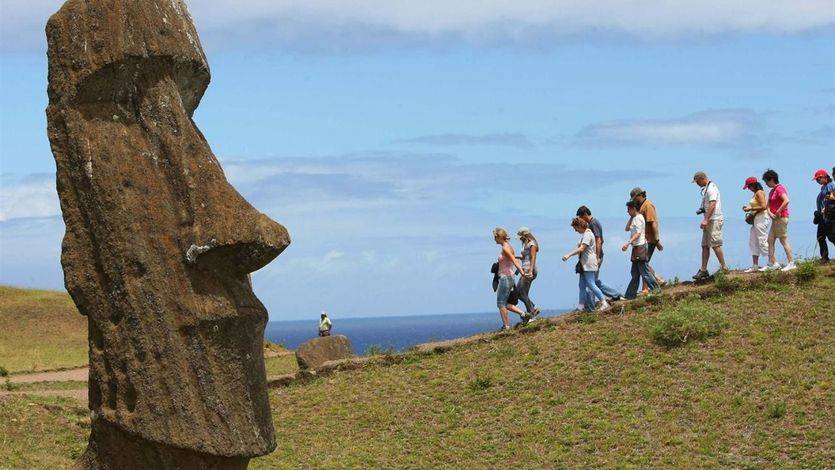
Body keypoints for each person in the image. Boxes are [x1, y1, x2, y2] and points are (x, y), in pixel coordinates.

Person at [576, 206, 623, 307]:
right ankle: (615, 294)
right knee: (594, 282)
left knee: (591, 283)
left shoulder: (593, 223)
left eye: (580, 218)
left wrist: (597, 256)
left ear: (584, 215)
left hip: (595, 257)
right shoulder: (592, 223)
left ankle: (591, 306)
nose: (581, 221)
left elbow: (599, 240)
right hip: (595, 256)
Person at [562, 218, 611, 312]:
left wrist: (569, 255)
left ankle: (604, 302)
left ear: (580, 226)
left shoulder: (588, 234)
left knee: (591, 284)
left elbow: (582, 248)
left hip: (589, 263)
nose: (575, 230)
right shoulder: (585, 235)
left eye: (576, 228)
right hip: (584, 264)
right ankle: (581, 306)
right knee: (581, 285)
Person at [692, 172, 728, 280]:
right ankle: (703, 270)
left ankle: (724, 267)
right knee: (705, 245)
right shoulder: (706, 189)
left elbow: (713, 204)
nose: (697, 184)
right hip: (709, 219)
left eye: (697, 181)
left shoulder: (712, 188)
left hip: (714, 219)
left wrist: (706, 219)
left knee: (715, 244)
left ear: (702, 178)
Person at [493, 227, 530, 330]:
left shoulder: (505, 248)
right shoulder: (508, 246)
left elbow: (513, 260)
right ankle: (524, 314)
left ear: (499, 237)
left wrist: (522, 272)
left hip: (505, 278)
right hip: (509, 277)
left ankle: (506, 326)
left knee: (501, 303)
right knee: (507, 304)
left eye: (495, 237)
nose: (494, 240)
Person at [630, 187, 666, 291]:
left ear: (639, 196)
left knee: (643, 264)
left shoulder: (647, 205)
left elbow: (653, 223)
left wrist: (657, 240)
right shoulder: (641, 206)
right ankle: (649, 286)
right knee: (643, 264)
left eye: (634, 198)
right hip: (644, 240)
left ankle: (654, 282)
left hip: (649, 240)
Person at [622, 200, 659, 299]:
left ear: (634, 208)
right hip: (636, 248)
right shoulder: (635, 218)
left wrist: (628, 243)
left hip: (640, 247)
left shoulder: (638, 219)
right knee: (634, 273)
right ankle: (630, 295)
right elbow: (626, 228)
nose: (627, 211)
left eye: (629, 209)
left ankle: (656, 290)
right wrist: (631, 216)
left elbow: (638, 234)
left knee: (644, 271)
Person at [760, 169, 796, 272]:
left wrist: (778, 211)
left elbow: (786, 200)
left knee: (783, 240)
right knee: (770, 240)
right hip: (775, 219)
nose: (766, 184)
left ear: (771, 179)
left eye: (766, 181)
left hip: (782, 218)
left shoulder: (780, 189)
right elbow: (767, 206)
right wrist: (770, 213)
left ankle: (791, 263)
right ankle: (772, 263)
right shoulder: (772, 191)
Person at [742, 177, 770, 272]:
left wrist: (750, 209)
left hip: (761, 218)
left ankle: (772, 263)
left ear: (753, 185)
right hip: (756, 219)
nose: (749, 189)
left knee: (762, 240)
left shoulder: (759, 192)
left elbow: (764, 206)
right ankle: (755, 265)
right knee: (753, 241)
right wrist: (749, 207)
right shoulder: (755, 194)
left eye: (749, 187)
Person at [516, 227, 542, 319]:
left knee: (522, 293)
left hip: (529, 270)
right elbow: (525, 257)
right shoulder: (525, 243)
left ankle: (531, 313)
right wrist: (516, 258)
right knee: (519, 293)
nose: (519, 238)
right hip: (525, 269)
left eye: (520, 236)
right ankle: (533, 308)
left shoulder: (532, 244)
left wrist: (530, 271)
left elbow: (533, 257)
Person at [813, 169, 835, 263]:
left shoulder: (830, 186)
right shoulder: (823, 187)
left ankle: (825, 258)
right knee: (820, 237)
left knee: (832, 236)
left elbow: (830, 199)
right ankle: (824, 258)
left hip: (828, 215)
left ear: (824, 177)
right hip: (822, 216)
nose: (817, 181)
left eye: (818, 179)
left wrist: (824, 209)